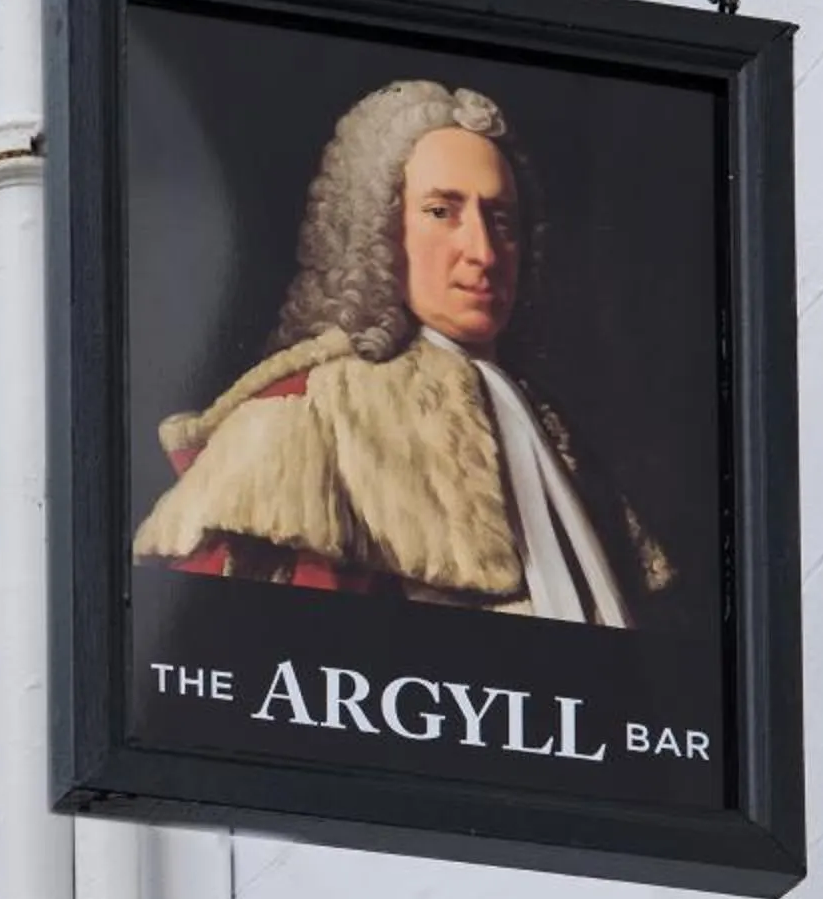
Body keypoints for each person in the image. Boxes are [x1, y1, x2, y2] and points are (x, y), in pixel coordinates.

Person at [131, 78, 667, 623]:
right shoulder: (310, 416)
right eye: (442, 212)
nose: (482, 252)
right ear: (378, 228)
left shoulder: (550, 430)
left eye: (500, 220)